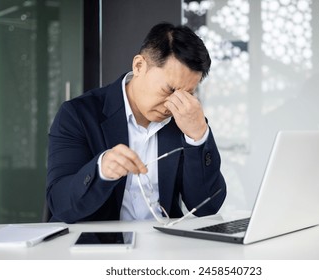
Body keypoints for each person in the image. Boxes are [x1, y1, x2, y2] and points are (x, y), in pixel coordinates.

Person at [46, 22, 227, 223]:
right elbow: (60, 205)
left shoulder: (185, 119)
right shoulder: (78, 114)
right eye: (169, 90)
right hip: (98, 247)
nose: (173, 104)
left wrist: (198, 137)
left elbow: (207, 207)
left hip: (165, 245)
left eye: (187, 94)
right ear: (139, 66)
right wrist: (101, 171)